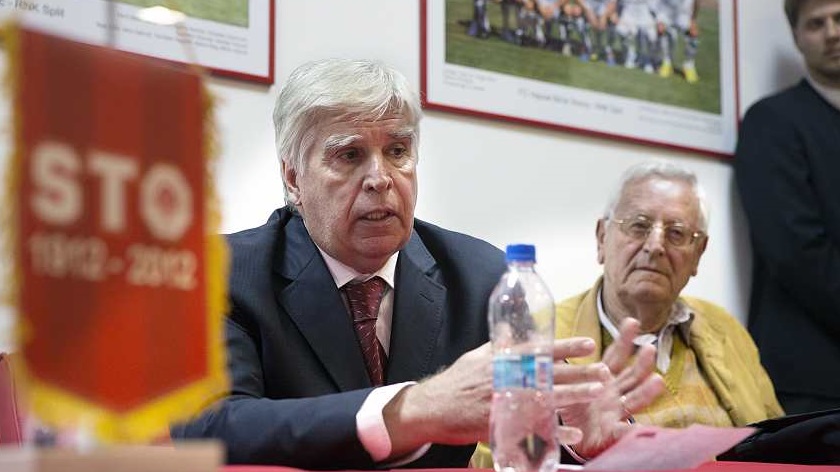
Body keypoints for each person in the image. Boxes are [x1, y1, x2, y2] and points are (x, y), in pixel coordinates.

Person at [171, 59, 663, 469]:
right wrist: (411, 409)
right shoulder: (224, 272)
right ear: (294, 178)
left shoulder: (480, 275)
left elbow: (538, 425)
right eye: (349, 155)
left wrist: (577, 437)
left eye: (398, 151)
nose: (380, 178)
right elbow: (208, 427)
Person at [557, 161, 783, 428]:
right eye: (639, 226)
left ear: (698, 253)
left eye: (676, 233)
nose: (655, 246)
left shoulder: (725, 329)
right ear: (601, 238)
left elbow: (780, 439)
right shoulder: (544, 340)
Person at [734, 0, 840, 415]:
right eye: (816, 24)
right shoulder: (772, 122)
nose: (832, 33)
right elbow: (796, 252)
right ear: (796, 36)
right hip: (811, 380)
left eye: (839, 19)